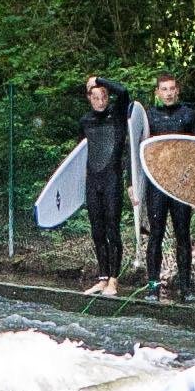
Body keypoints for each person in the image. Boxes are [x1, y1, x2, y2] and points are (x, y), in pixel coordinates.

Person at [133, 73, 195, 301]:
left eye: (172, 88)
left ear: (178, 90)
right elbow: (136, 151)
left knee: (183, 234)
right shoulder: (148, 117)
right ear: (157, 92)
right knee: (156, 234)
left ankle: (186, 287)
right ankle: (153, 286)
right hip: (156, 184)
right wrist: (132, 183)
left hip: (180, 185)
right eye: (164, 89)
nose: (169, 93)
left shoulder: (189, 115)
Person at [76, 76, 132, 296]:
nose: (100, 102)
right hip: (93, 181)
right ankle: (102, 277)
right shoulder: (85, 120)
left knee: (112, 229)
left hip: (112, 180)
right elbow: (80, 153)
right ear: (89, 98)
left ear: (108, 97)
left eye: (104, 97)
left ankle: (114, 280)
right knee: (97, 230)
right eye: (95, 97)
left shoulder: (117, 115)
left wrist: (98, 80)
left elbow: (124, 91)